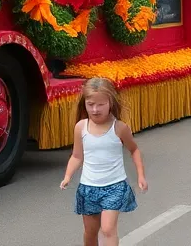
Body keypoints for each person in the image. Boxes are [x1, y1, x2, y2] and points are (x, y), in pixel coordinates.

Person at [60, 77, 147, 246]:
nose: (95, 109)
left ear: (110, 103)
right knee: (90, 232)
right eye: (90, 104)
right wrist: (68, 176)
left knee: (108, 229)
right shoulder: (81, 127)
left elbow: (134, 150)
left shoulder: (119, 128)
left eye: (101, 104)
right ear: (84, 104)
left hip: (115, 186)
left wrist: (141, 176)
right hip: (88, 187)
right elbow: (77, 156)